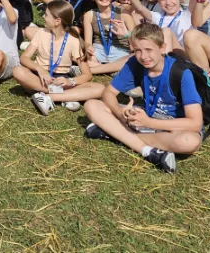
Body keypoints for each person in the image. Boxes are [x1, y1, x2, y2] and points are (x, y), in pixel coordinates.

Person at [83, 23, 203, 173]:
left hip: (174, 125)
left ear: (163, 48)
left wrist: (148, 122)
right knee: (92, 105)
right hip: (146, 117)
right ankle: (147, 151)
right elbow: (108, 93)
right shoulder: (135, 63)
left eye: (149, 50)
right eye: (138, 50)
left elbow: (195, 123)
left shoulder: (181, 73)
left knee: (189, 142)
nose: (144, 56)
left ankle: (115, 133)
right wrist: (120, 114)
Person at [12, 0, 98, 115]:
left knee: (100, 88)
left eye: (46, 15)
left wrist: (70, 81)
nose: (43, 17)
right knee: (17, 71)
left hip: (61, 81)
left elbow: (87, 74)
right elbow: (24, 58)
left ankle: (48, 96)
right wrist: (40, 70)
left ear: (57, 21)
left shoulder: (74, 41)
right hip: (39, 78)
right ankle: (65, 96)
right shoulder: (41, 33)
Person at [83, 0, 135, 75]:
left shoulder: (123, 13)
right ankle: (112, 69)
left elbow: (137, 42)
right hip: (98, 50)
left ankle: (94, 70)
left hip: (121, 51)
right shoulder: (89, 15)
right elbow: (87, 41)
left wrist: (126, 34)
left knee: (133, 58)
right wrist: (88, 47)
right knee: (84, 58)